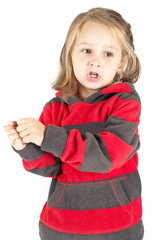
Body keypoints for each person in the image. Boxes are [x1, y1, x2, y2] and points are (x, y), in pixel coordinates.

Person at [3, 7, 144, 240]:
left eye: (108, 54)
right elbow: (51, 166)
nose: (95, 61)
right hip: (60, 229)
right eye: (86, 51)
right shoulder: (55, 108)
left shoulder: (124, 102)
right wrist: (26, 147)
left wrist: (48, 136)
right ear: (70, 55)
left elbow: (107, 156)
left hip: (119, 229)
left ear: (122, 62)